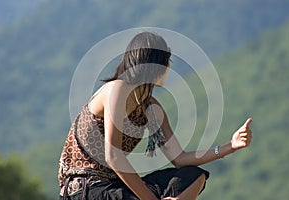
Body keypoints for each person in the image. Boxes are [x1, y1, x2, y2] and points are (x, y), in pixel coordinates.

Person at [58, 32, 253, 200]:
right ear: (154, 66)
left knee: (193, 177)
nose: (168, 68)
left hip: (115, 188)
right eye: (166, 62)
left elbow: (180, 158)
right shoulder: (116, 90)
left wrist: (230, 147)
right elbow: (114, 156)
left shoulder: (151, 108)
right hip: (85, 190)